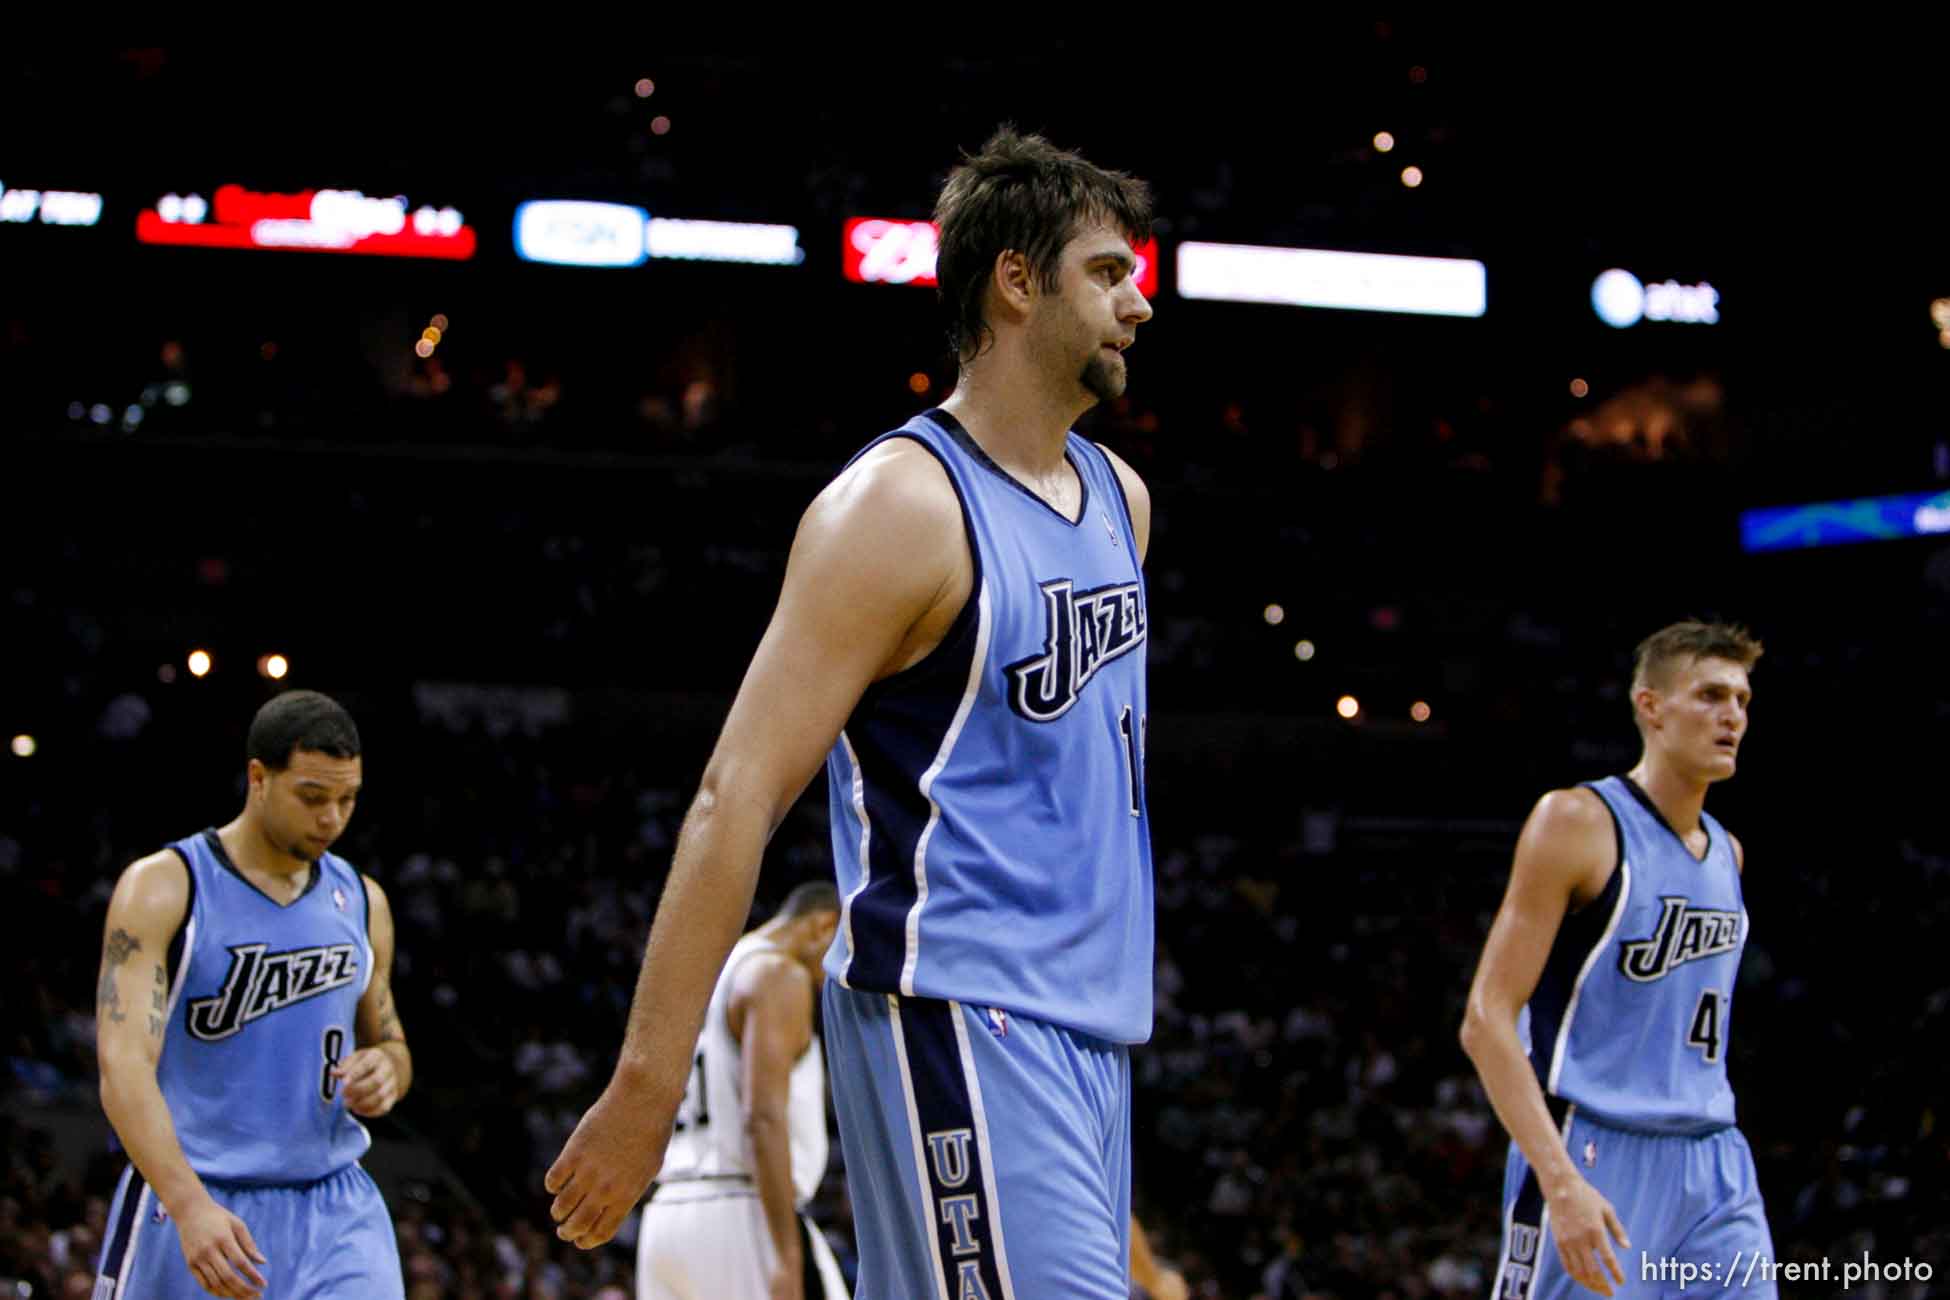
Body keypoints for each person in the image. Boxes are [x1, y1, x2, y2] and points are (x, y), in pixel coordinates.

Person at [546, 125, 1158, 1299]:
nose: (1137, 305)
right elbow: (737, 795)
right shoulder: (897, 509)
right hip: (957, 1009)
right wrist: (646, 1083)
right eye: (1108, 272)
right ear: (1016, 282)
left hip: (1096, 1030)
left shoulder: (1122, 504)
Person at [1461, 621, 1774, 1298]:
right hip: (1595, 1149)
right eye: (1712, 696)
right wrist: (1561, 1178)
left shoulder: (1729, 853)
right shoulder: (1576, 822)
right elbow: (1486, 1018)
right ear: (1651, 707)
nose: (1733, 717)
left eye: (1743, 702)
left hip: (1716, 1158)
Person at [94, 690, 409, 1299]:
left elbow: (391, 1041)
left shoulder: (363, 901)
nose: (332, 820)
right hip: (196, 1192)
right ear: (258, 778)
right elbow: (123, 1068)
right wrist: (187, 1204)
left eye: (347, 800)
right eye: (313, 798)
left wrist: (387, 1069)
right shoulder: (164, 888)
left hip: (334, 1199)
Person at [635, 882, 850, 1300]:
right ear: (824, 926)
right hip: (740, 1212)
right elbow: (762, 1117)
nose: (838, 975)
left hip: (666, 1214)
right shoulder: (776, 974)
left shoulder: (704, 975)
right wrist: (787, 1256)